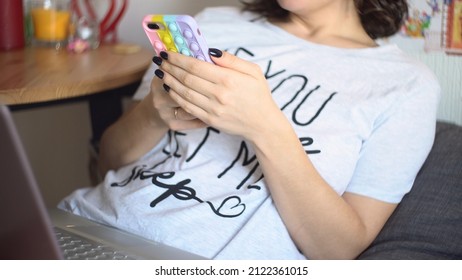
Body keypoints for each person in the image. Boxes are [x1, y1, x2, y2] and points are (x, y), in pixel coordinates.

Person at [58, 0, 440, 260]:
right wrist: (152, 114)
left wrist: (265, 126)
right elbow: (108, 162)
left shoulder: (405, 83)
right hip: (83, 226)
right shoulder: (209, 23)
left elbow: (337, 250)